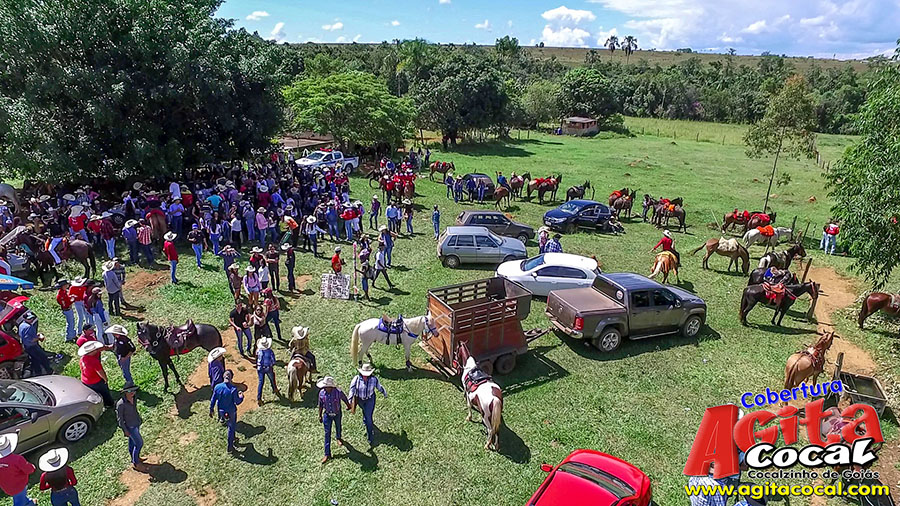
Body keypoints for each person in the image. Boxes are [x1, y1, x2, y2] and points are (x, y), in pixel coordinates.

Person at [349, 363, 387, 449]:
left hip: (370, 399)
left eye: (367, 375)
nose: (365, 376)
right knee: (365, 412)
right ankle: (365, 419)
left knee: (369, 417)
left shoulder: (374, 379)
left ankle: (370, 436)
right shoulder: (356, 379)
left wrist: (384, 392)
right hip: (360, 400)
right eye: (364, 374)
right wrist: (350, 400)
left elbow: (379, 387)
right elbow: (352, 389)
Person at [317, 376, 351, 464]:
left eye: (326, 386)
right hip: (327, 414)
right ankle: (327, 454)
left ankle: (338, 437)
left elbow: (344, 398)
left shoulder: (338, 392)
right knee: (327, 433)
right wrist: (320, 415)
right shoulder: (321, 393)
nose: (325, 388)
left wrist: (348, 405)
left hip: (337, 413)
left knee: (338, 426)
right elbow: (320, 405)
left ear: (331, 387)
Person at [209, 369, 244, 453]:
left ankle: (233, 438)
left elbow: (213, 399)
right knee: (231, 428)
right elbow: (237, 402)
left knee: (230, 426)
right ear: (231, 378)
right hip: (231, 411)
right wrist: (241, 396)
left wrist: (211, 409)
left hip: (221, 411)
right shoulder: (233, 389)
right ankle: (230, 447)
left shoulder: (217, 387)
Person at [116, 382, 146, 472]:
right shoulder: (120, 404)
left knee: (132, 443)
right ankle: (136, 463)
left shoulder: (134, 398)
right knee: (139, 443)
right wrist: (125, 430)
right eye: (129, 391)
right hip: (130, 427)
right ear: (125, 392)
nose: (132, 392)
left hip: (136, 423)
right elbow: (120, 420)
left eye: (133, 390)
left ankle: (134, 458)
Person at [0, 433, 36, 506]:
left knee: (19, 497)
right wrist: (32, 467)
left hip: (6, 486)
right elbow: (29, 469)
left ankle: (28, 502)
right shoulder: (17, 459)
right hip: (19, 486)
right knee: (19, 502)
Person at [79, 340, 114, 408]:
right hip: (95, 381)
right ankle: (109, 404)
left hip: (85, 380)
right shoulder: (94, 361)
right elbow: (101, 372)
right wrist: (105, 379)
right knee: (105, 392)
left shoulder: (82, 358)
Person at [20, 311, 52, 376]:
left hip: (26, 347)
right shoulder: (28, 327)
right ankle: (49, 371)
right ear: (25, 319)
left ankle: (38, 372)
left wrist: (36, 335)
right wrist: (39, 338)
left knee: (34, 360)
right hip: (32, 346)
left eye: (32, 318)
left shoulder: (21, 325)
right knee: (43, 357)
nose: (31, 320)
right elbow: (29, 340)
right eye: (29, 319)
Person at [255, 337, 279, 404]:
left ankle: (259, 399)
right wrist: (272, 364)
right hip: (268, 368)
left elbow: (256, 358)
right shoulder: (270, 351)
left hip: (260, 368)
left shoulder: (258, 351)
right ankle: (275, 389)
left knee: (261, 382)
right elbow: (273, 361)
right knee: (272, 378)